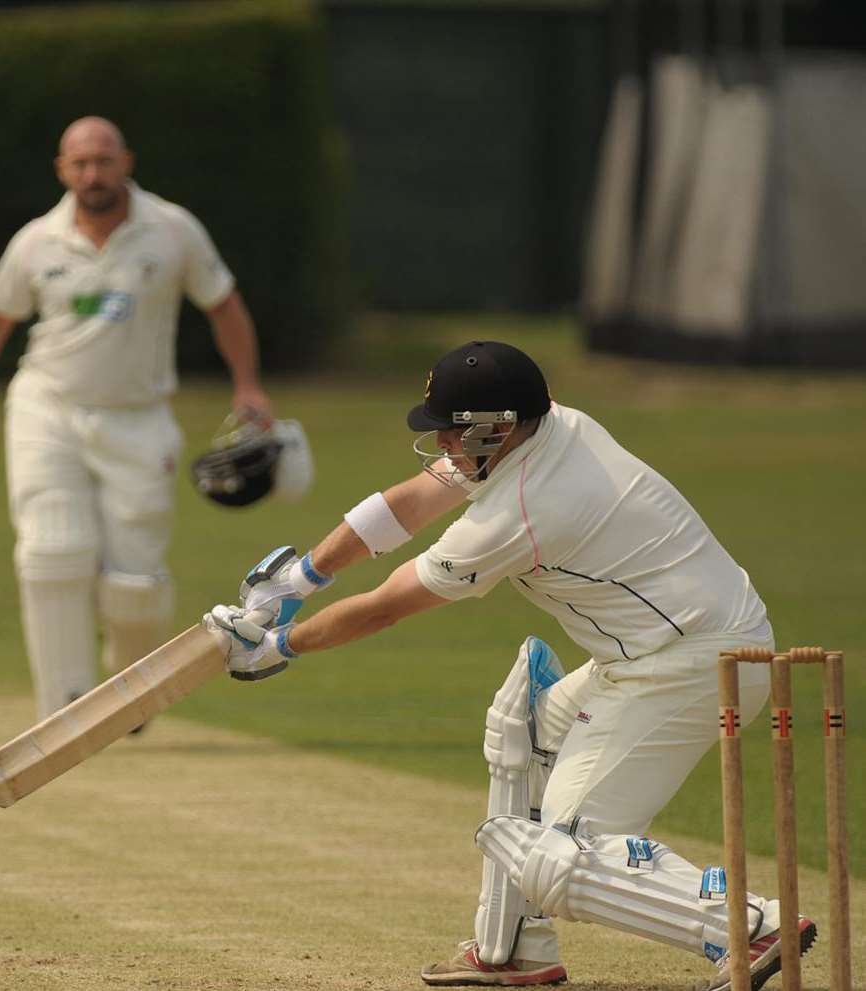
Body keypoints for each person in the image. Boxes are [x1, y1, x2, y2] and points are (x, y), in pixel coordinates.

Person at [205, 341, 810, 990]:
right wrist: (300, 576)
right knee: (522, 735)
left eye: (449, 430)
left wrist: (278, 646)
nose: (440, 443)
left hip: (691, 664)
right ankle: (515, 950)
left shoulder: (520, 509)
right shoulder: (545, 424)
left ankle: (749, 927)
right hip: (662, 650)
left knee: (562, 857)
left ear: (494, 427)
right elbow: (406, 503)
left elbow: (386, 607)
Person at [0, 116, 272, 719]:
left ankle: (129, 694)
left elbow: (224, 305)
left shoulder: (171, 229)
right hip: (48, 409)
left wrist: (248, 385)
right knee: (52, 552)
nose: (93, 173)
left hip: (140, 419)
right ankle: (63, 707)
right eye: (80, 163)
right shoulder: (36, 241)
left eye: (104, 160)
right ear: (62, 170)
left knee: (135, 588)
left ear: (126, 162)